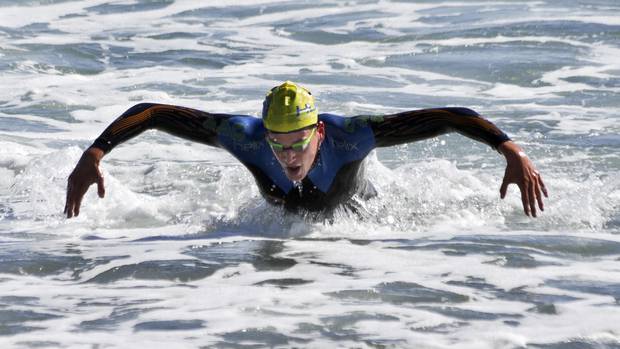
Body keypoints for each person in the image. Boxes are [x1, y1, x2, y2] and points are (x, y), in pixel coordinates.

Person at [65, 81, 547, 218]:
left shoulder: (350, 135)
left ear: (318, 133)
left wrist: (510, 150)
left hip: (355, 218)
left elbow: (447, 116)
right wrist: (95, 153)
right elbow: (153, 111)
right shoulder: (244, 136)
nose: (288, 154)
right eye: (278, 143)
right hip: (283, 220)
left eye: (298, 142)